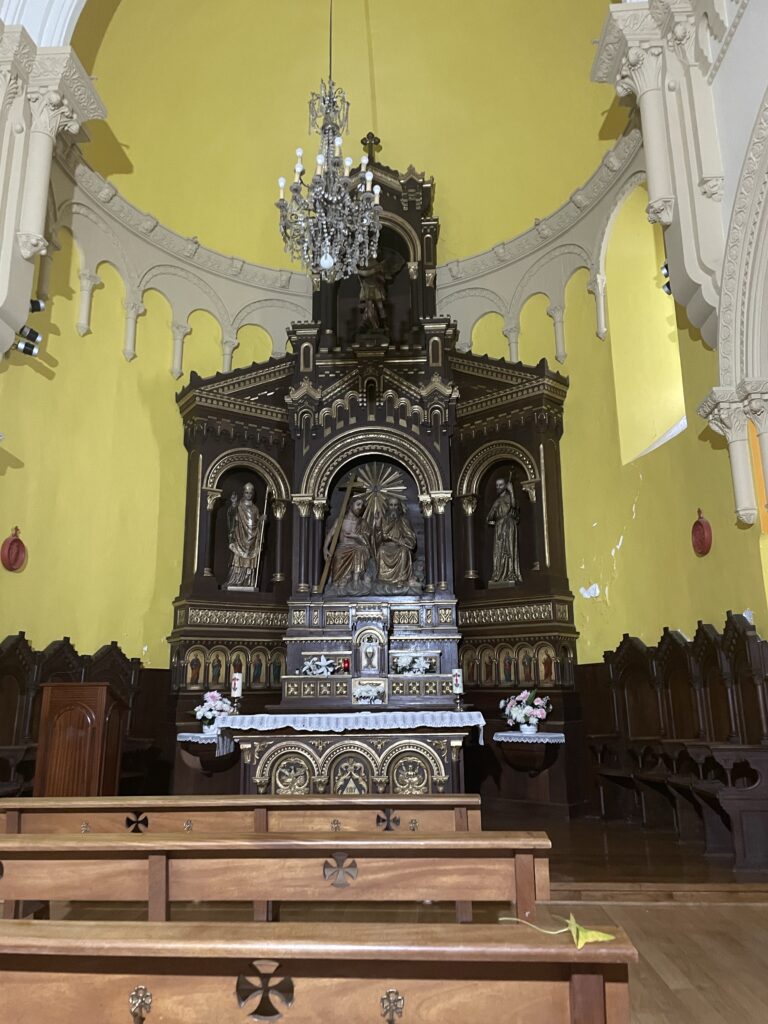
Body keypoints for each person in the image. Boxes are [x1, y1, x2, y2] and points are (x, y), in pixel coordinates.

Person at [324, 495, 373, 592]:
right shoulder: (340, 521)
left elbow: (367, 541)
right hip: (342, 548)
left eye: (362, 506)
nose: (360, 507)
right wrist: (325, 548)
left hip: (357, 548)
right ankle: (338, 583)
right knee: (338, 557)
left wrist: (357, 537)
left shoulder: (362, 523)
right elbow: (330, 535)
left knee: (360, 550)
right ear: (351, 505)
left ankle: (356, 581)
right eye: (358, 504)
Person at [224, 482, 263, 589]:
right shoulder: (238, 506)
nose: (248, 495)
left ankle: (248, 581)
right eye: (246, 492)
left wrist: (261, 521)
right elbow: (231, 515)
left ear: (253, 494)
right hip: (240, 537)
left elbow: (257, 523)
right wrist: (233, 504)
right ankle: (235, 580)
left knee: (250, 561)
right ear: (243, 493)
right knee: (237, 558)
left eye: (250, 493)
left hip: (252, 539)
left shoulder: (255, 509)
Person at [486, 476, 522, 585]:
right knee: (499, 551)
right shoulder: (497, 501)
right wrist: (495, 523)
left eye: (501, 485)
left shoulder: (510, 497)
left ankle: (510, 573)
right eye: (497, 485)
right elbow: (489, 517)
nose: (498, 487)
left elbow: (514, 506)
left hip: (509, 526)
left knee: (509, 549)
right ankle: (498, 574)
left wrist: (512, 491)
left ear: (505, 485)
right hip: (499, 528)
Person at [375, 497, 417, 590]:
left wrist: (404, 540)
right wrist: (378, 526)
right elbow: (378, 539)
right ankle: (383, 580)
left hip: (399, 547)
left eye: (395, 505)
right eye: (391, 505)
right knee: (381, 551)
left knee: (404, 551)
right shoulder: (383, 521)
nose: (393, 508)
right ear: (387, 507)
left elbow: (411, 537)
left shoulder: (403, 521)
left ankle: (402, 579)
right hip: (386, 547)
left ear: (399, 507)